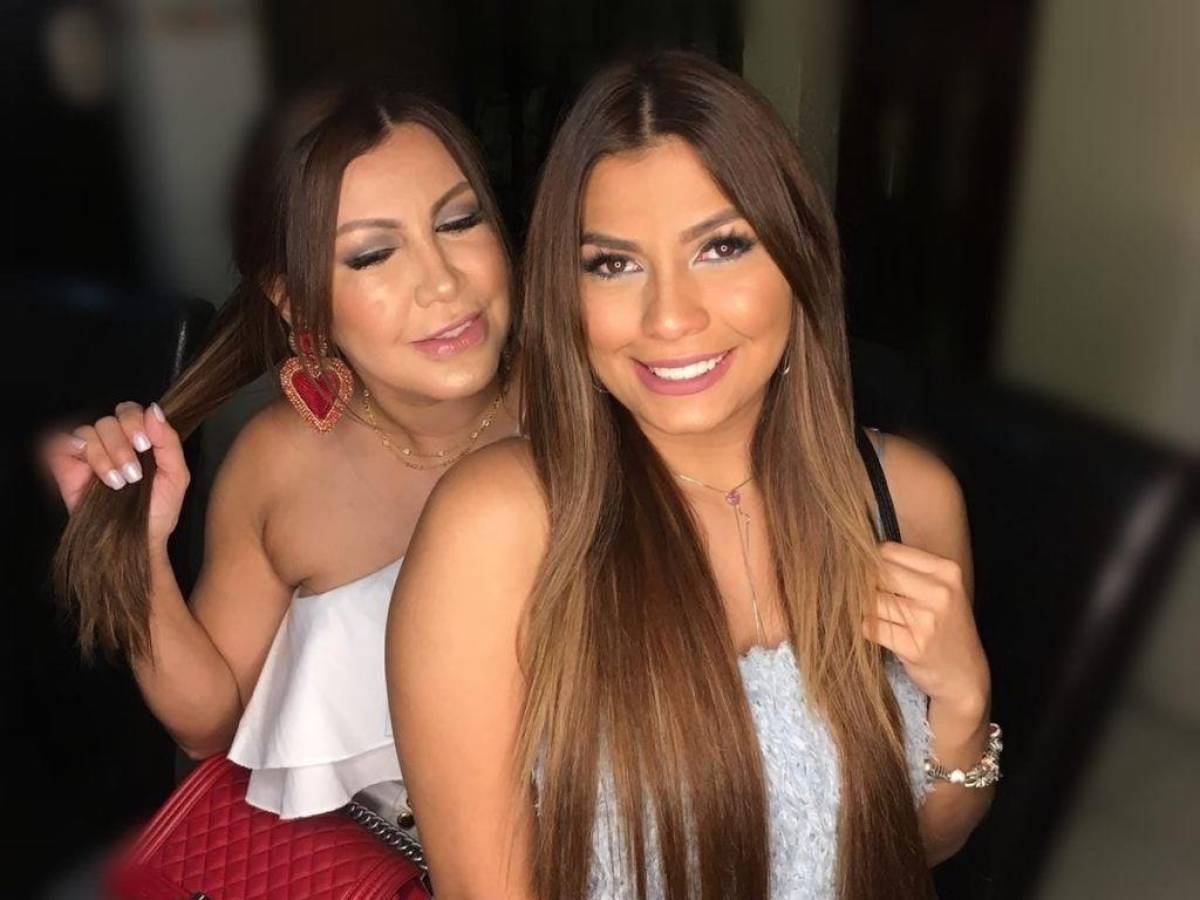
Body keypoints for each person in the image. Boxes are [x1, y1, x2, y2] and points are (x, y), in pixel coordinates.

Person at [388, 52, 995, 898]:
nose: (670, 317)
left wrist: (964, 704)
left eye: (721, 247)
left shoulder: (908, 498)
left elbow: (915, 850)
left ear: (797, 258)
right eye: (614, 264)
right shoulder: (500, 528)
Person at [44, 85, 520, 826]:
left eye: (459, 222)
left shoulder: (587, 399)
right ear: (296, 303)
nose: (441, 282)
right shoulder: (280, 464)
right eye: (372, 254)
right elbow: (208, 727)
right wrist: (138, 551)